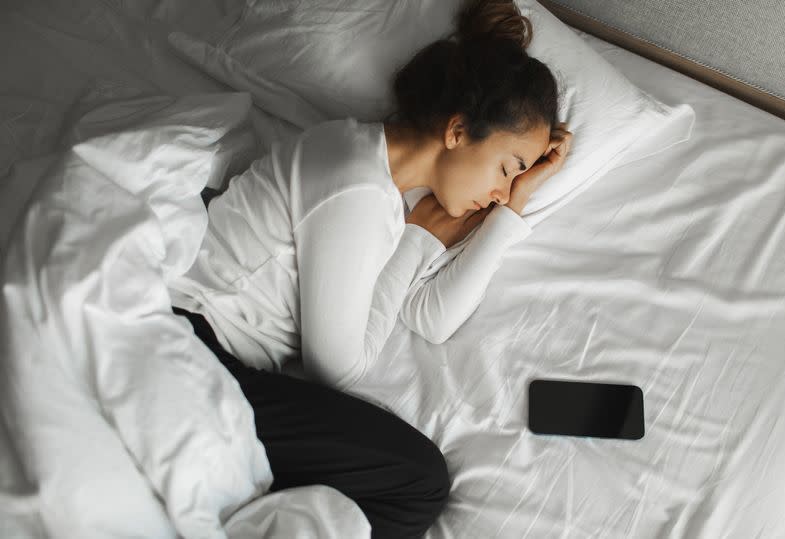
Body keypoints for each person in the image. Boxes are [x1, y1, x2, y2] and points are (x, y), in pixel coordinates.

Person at [169, 0, 573, 536]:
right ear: (457, 131)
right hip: (193, 349)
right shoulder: (356, 187)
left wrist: (511, 209)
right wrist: (418, 240)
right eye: (506, 169)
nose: (499, 192)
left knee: (411, 480)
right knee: (417, 482)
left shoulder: (378, 183)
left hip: (211, 355)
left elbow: (430, 318)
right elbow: (337, 371)